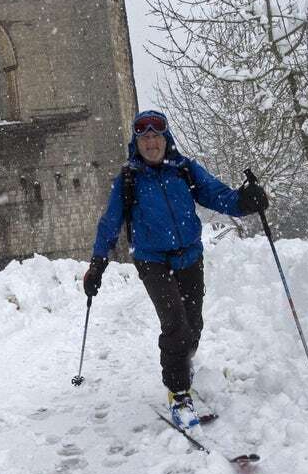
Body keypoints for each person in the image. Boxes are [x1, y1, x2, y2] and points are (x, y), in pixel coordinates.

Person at [83, 110, 268, 430]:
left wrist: (245, 202)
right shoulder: (129, 178)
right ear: (136, 142)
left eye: (156, 136)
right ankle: (179, 392)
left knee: (193, 324)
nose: (151, 142)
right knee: (175, 325)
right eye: (144, 137)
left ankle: (183, 364)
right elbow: (110, 222)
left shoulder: (185, 169)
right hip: (152, 260)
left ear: (165, 138)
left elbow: (216, 194)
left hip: (190, 257)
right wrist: (97, 264)